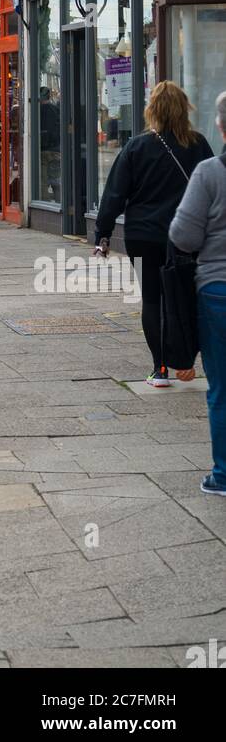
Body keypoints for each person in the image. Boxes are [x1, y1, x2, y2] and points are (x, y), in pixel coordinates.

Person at [95, 80, 212, 388]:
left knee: (153, 299)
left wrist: (103, 234)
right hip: (187, 237)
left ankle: (159, 369)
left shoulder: (137, 146)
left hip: (143, 235)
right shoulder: (198, 145)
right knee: (187, 296)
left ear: (152, 110)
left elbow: (115, 195)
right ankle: (187, 361)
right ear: (184, 109)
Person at [169, 89, 226, 496]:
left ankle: (223, 474)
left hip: (218, 291)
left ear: (221, 126)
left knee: (222, 386)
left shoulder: (210, 173)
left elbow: (183, 236)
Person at [39, 86, 61, 202]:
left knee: (43, 182)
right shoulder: (56, 109)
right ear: (49, 96)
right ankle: (59, 204)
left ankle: (45, 205)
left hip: (42, 150)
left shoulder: (37, 111)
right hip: (56, 150)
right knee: (56, 181)